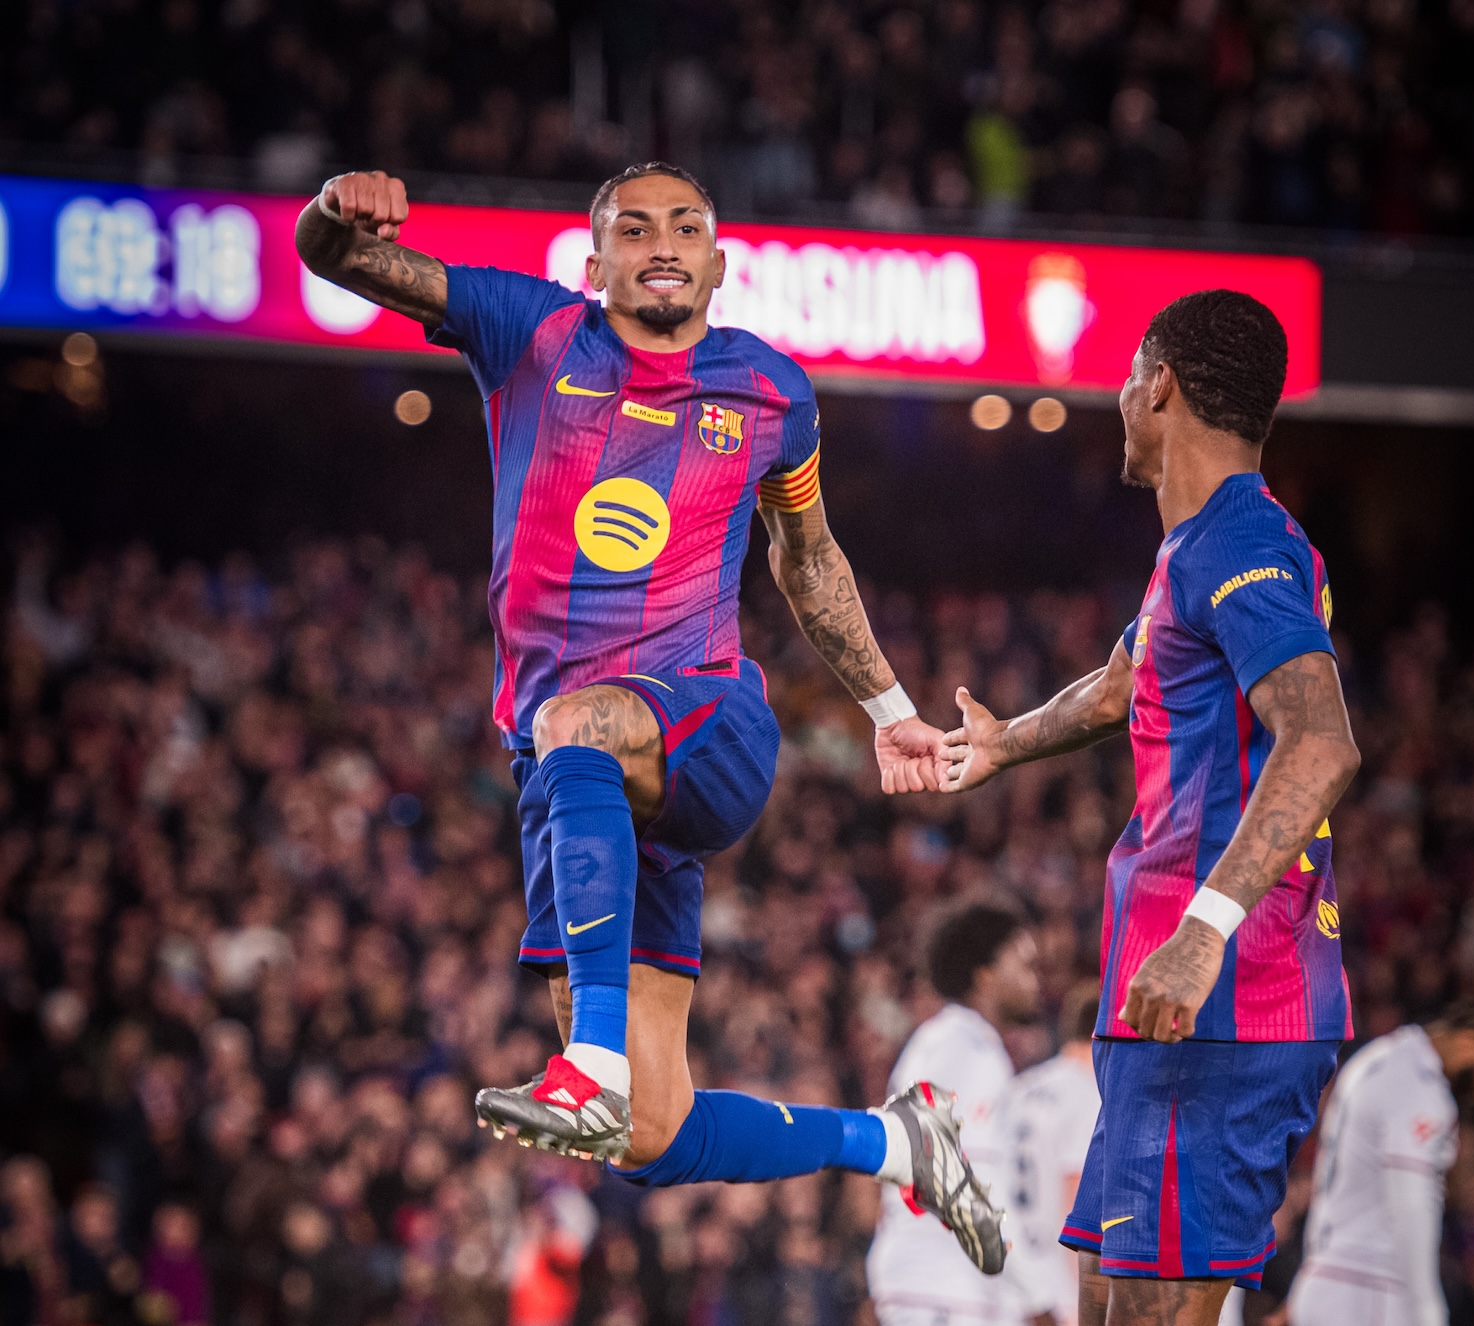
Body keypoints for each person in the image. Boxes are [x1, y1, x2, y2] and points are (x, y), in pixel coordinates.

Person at [294, 162, 1004, 1273]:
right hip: (577, 778)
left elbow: (806, 558)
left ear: (718, 265)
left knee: (575, 730)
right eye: (633, 228)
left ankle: (588, 1065)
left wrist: (888, 709)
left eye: (686, 227)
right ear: (594, 263)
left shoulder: (769, 390)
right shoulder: (530, 333)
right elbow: (334, 258)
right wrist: (334, 211)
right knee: (647, 1137)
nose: (662, 242)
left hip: (707, 725)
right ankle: (895, 1141)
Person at [938, 288, 1363, 1324]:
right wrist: (1002, 742)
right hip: (1177, 1008)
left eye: (1130, 374)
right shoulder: (1196, 546)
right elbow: (1118, 689)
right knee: (1105, 1303)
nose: (1121, 395)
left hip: (1226, 1003)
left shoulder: (1237, 545)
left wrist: (1202, 932)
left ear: (1159, 385)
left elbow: (1320, 739)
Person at [867, 902, 1041, 1325]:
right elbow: (964, 1179)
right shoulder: (965, 1049)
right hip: (944, 1286)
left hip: (946, 1284)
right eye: (1024, 965)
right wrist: (1039, 1295)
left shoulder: (950, 1042)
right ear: (986, 976)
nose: (1035, 980)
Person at [1287, 1008, 1474, 1326]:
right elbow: (1412, 1204)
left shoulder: (1379, 1056)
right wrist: (1427, 1309)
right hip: (1370, 1289)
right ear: (1470, 1042)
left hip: (1332, 1273)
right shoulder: (1418, 1085)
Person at [1004, 985, 1102, 1326]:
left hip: (1009, 1276)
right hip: (1059, 1290)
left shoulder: (1018, 1088)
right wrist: (1085, 1303)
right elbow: (1079, 1202)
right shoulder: (1090, 1094)